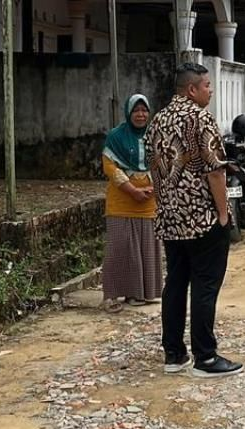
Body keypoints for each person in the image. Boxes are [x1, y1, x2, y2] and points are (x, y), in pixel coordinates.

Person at [146, 63, 243, 378]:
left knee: (175, 283)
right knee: (205, 285)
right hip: (201, 217)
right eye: (206, 85)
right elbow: (215, 171)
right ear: (192, 89)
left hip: (171, 217)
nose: (210, 91)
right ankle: (206, 357)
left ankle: (174, 354)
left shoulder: (158, 120)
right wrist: (223, 214)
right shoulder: (201, 118)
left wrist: (166, 202)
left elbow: (154, 167)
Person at [100, 94, 162, 314]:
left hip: (148, 203)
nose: (141, 115)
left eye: (144, 110)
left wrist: (154, 187)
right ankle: (110, 295)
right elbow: (110, 167)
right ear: (128, 113)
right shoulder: (115, 137)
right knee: (119, 249)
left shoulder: (155, 135)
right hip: (121, 203)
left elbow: (164, 163)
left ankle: (140, 293)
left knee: (146, 249)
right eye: (136, 110)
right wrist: (132, 190)